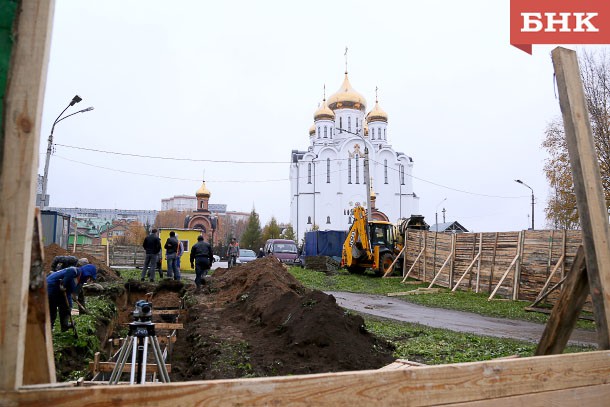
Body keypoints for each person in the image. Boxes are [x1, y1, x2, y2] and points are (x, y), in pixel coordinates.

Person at [47, 264, 97, 332]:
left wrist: (74, 297)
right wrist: (64, 283)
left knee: (67, 306)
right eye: (89, 276)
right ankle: (49, 329)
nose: (88, 279)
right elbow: (71, 270)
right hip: (51, 286)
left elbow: (71, 292)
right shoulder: (77, 271)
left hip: (59, 290)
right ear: (86, 273)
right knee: (52, 309)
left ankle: (64, 325)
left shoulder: (80, 281)